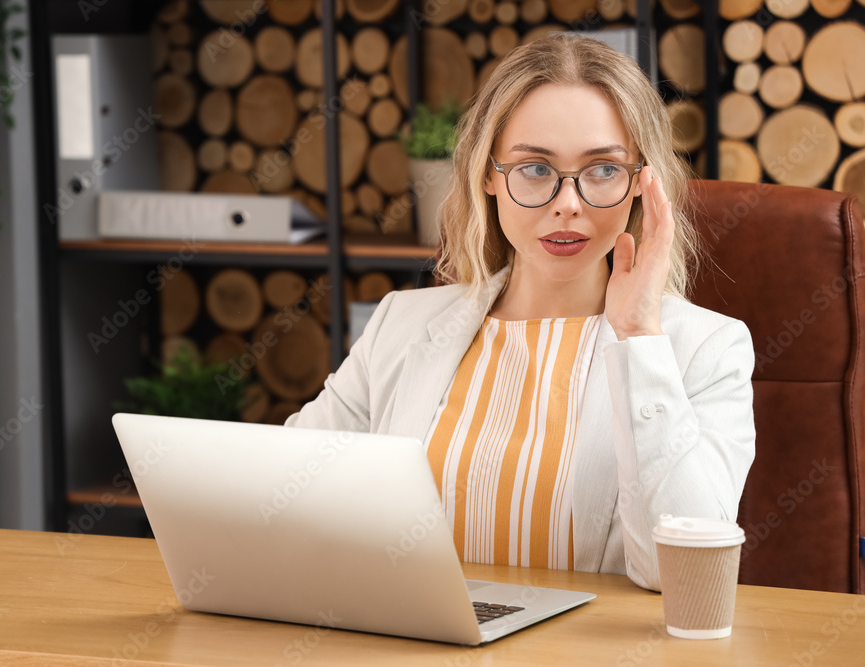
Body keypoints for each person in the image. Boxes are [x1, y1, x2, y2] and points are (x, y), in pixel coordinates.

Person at [286, 34, 755, 592]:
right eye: (535, 168)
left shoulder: (707, 350)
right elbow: (285, 494)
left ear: (641, 183)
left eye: (603, 170)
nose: (568, 203)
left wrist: (638, 338)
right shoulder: (399, 325)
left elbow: (686, 575)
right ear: (488, 174)